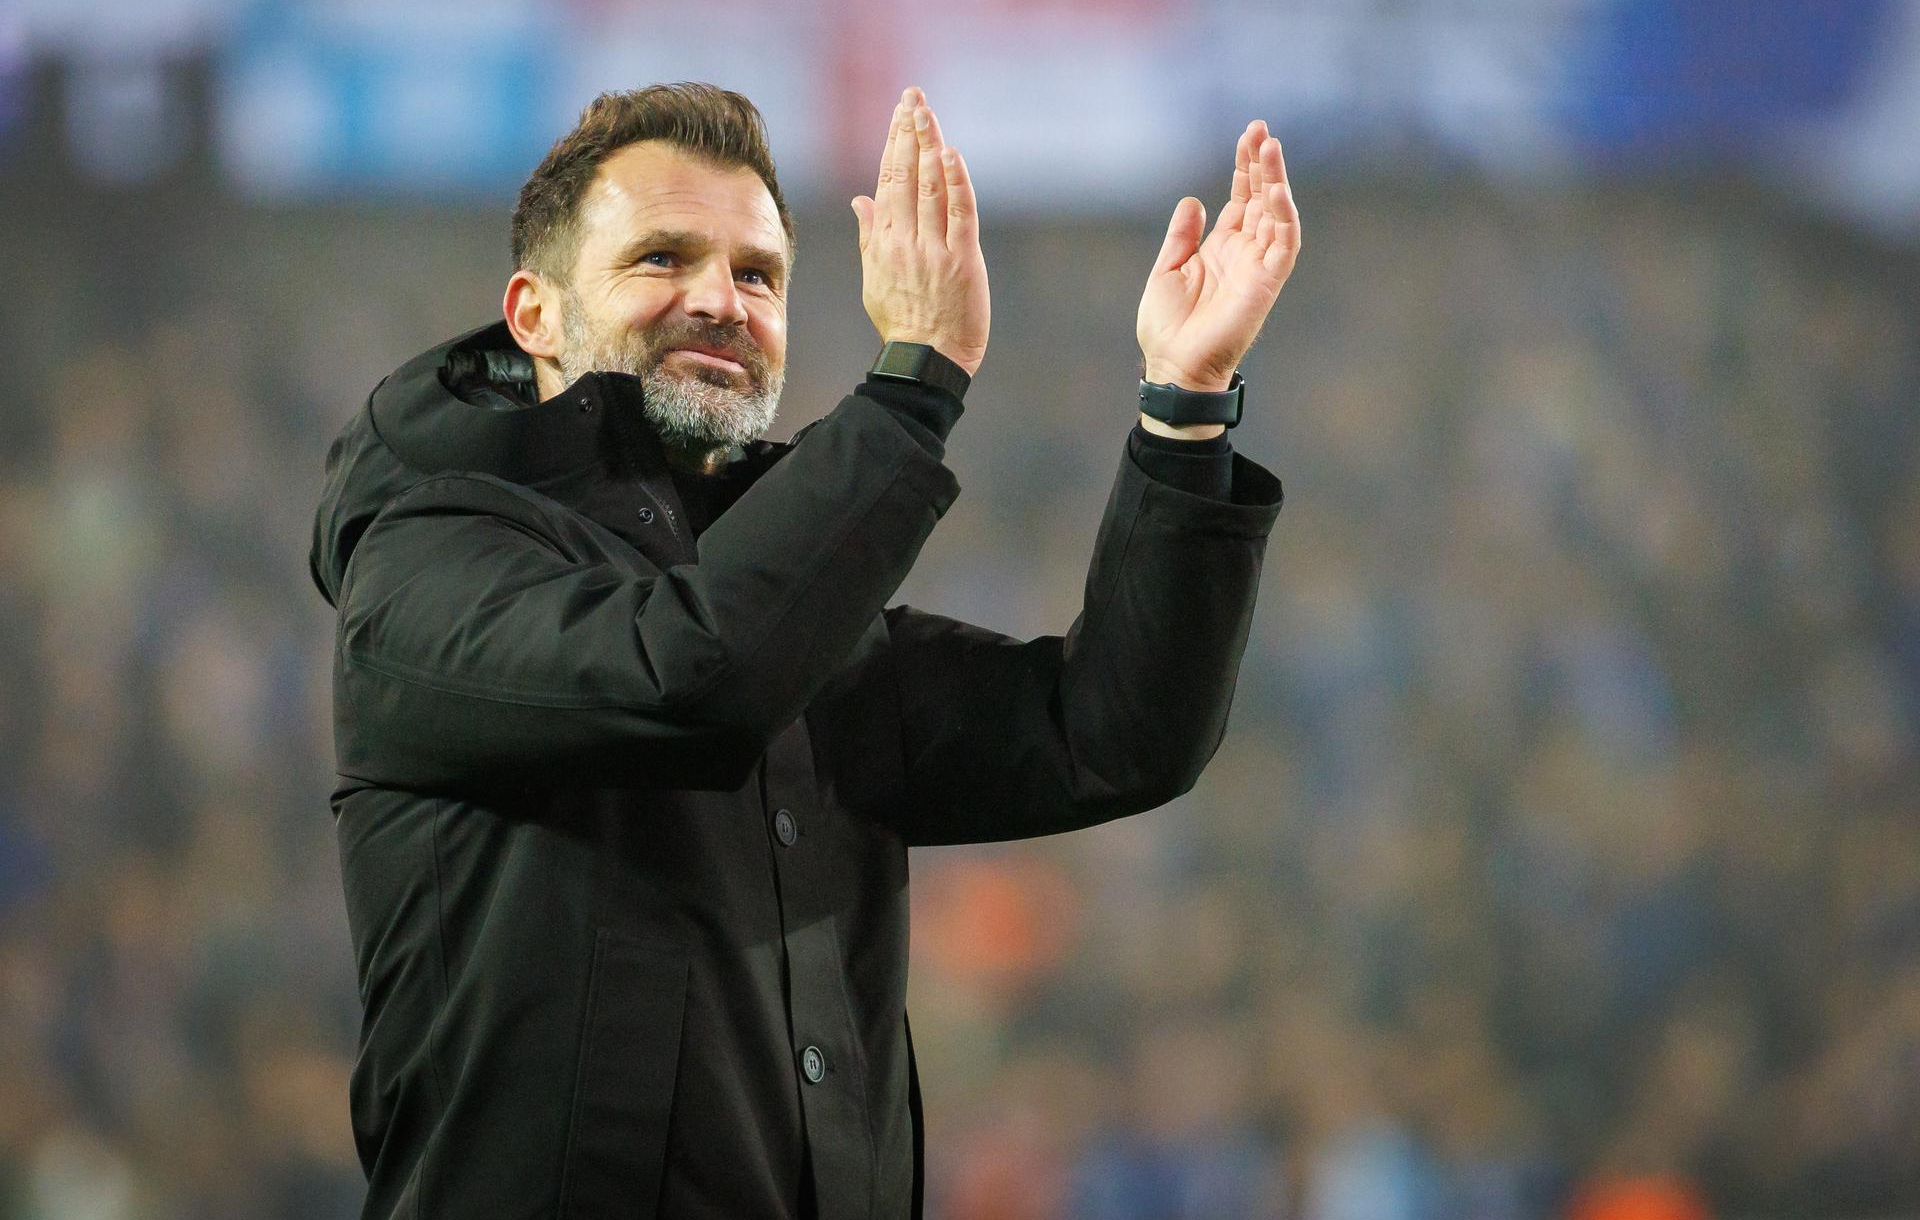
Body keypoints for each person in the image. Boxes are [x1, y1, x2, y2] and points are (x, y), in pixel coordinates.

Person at [308, 80, 1299, 1219]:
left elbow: (1112, 730)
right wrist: (917, 380)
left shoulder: (796, 611)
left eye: (758, 274)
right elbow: (692, 676)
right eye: (661, 258)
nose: (720, 300)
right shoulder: (429, 564)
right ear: (533, 313)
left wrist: (1185, 410)